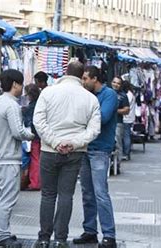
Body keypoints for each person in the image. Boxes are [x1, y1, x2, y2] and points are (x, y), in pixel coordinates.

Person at [33, 62, 101, 248]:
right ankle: (60, 239)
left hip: (49, 150)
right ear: (81, 76)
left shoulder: (48, 92)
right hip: (75, 153)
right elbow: (94, 130)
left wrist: (55, 142)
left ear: (65, 73)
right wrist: (74, 143)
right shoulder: (90, 99)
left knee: (47, 195)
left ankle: (44, 238)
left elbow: (38, 121)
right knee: (66, 195)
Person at [0, 69, 34, 247]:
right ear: (15, 84)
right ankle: (3, 235)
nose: (22, 88)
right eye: (21, 84)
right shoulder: (12, 105)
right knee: (7, 198)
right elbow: (18, 132)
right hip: (8, 158)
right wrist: (32, 135)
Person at [74, 66, 118, 248]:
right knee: (87, 193)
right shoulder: (87, 95)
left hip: (100, 149)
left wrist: (82, 117)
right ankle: (90, 231)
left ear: (95, 79)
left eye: (85, 78)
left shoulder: (109, 95)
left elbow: (103, 117)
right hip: (85, 147)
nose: (83, 82)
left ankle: (109, 235)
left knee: (100, 193)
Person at [22, 84, 42, 190]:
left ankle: (35, 183)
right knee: (38, 158)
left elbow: (28, 122)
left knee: (35, 159)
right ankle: (37, 181)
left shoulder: (30, 107)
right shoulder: (40, 104)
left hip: (33, 136)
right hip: (40, 135)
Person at [110, 76, 129, 167]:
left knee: (117, 143)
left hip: (118, 122)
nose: (115, 85)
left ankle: (117, 163)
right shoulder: (107, 93)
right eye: (114, 82)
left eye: (118, 83)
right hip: (107, 123)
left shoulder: (123, 96)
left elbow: (127, 110)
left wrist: (115, 111)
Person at [122, 81, 136, 160]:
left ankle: (126, 153)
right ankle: (127, 152)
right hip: (130, 118)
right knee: (127, 135)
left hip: (126, 118)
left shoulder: (128, 95)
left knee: (126, 135)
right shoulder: (131, 94)